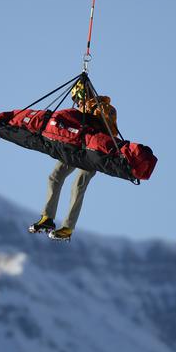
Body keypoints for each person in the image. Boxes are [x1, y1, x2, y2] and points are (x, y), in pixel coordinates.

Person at [28, 90, 119, 242]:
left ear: (86, 95)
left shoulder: (104, 108)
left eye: (78, 98)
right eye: (75, 100)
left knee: (78, 185)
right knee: (55, 176)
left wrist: (94, 111)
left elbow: (111, 130)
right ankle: (47, 218)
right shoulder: (80, 110)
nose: (77, 102)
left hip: (93, 151)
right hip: (76, 147)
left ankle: (68, 227)